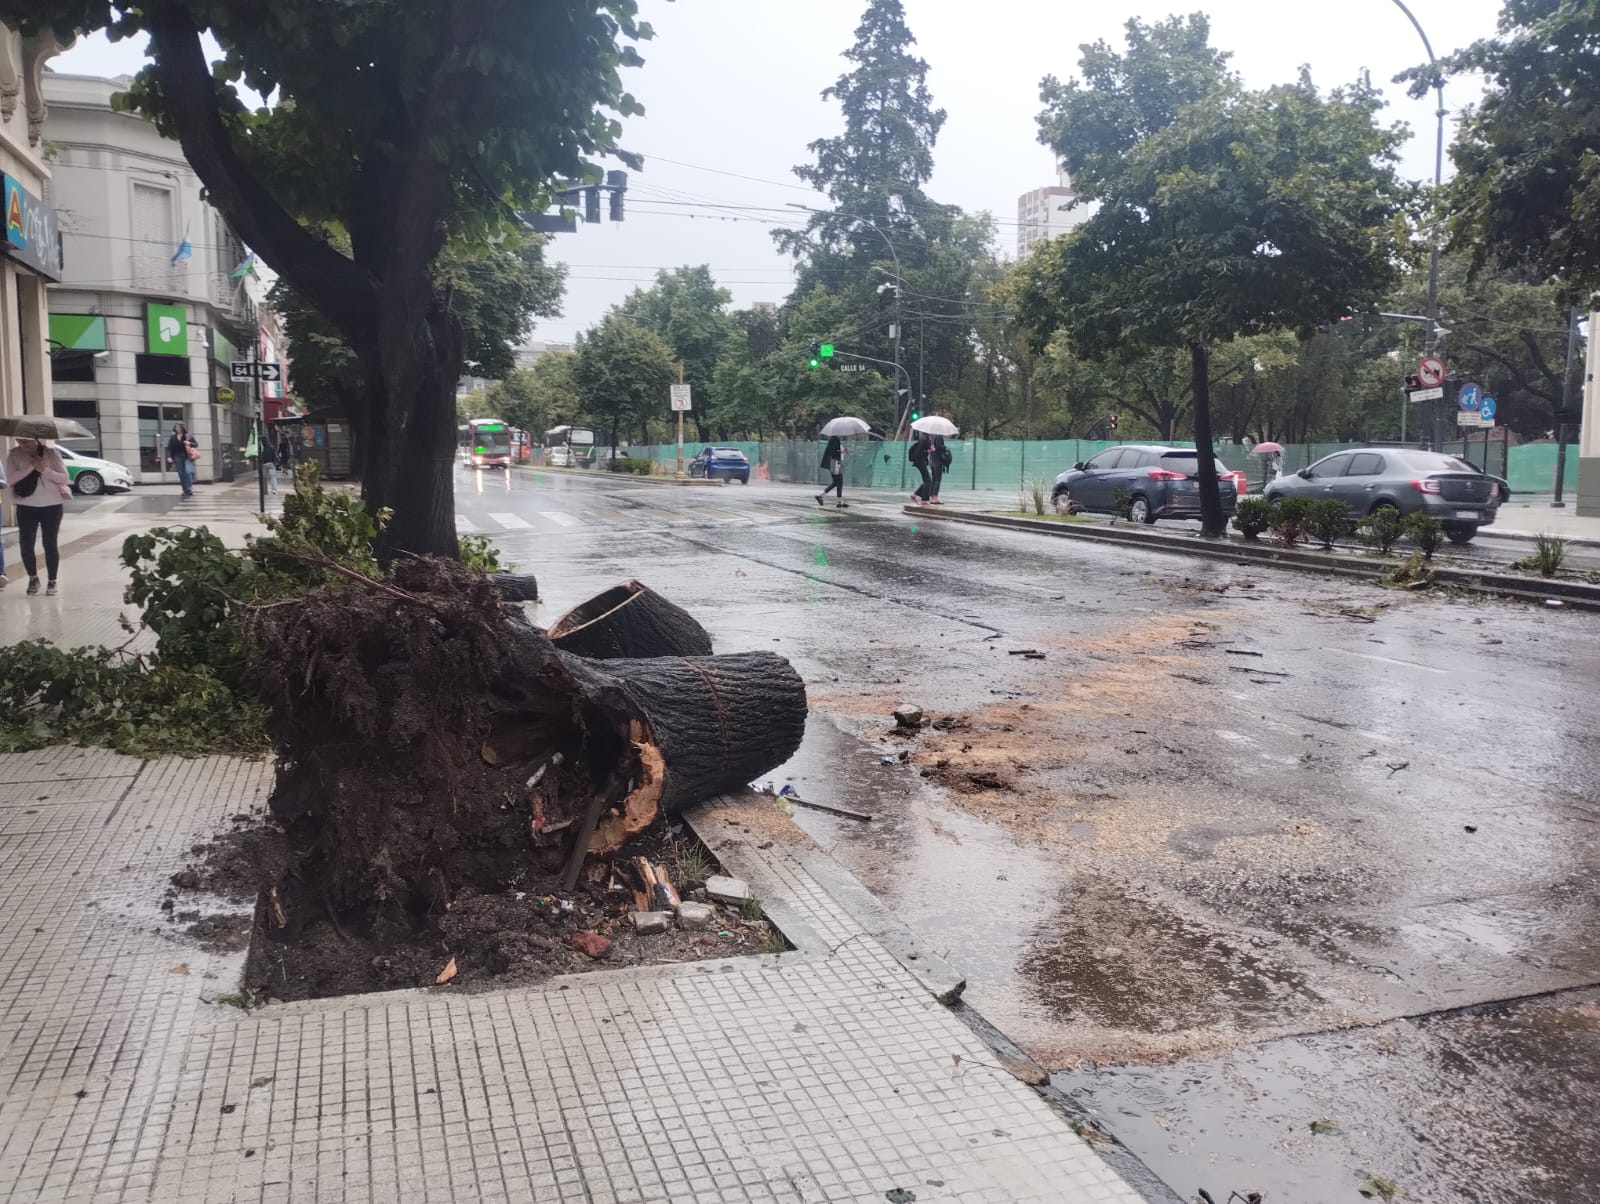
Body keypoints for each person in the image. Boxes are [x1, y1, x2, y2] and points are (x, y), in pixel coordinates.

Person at [4, 437, 72, 596]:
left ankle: (52, 581)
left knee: (50, 544)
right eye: (20, 441)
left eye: (26, 441)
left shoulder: (51, 453)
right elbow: (10, 479)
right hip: (26, 506)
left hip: (52, 505)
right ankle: (33, 578)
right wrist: (31, 467)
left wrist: (44, 470)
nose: (23, 445)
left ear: (36, 439)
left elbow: (64, 478)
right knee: (26, 544)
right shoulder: (14, 455)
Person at [815, 435, 847, 509]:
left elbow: (835, 450)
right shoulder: (835, 439)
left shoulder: (834, 439)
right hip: (835, 463)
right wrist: (842, 451)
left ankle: (839, 501)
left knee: (838, 482)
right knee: (839, 481)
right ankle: (821, 496)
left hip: (834, 463)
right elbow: (835, 451)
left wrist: (842, 450)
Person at [167, 423, 199, 497]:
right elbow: (169, 448)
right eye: (176, 427)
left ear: (182, 428)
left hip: (188, 456)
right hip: (178, 456)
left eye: (178, 427)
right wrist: (169, 457)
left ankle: (189, 489)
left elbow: (196, 444)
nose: (177, 428)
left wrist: (189, 443)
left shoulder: (188, 435)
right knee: (181, 473)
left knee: (188, 472)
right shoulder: (173, 437)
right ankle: (185, 490)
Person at [909, 432, 934, 504]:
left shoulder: (925, 438)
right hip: (920, 462)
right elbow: (919, 452)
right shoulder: (925, 439)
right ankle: (924, 500)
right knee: (928, 480)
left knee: (927, 480)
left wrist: (929, 449)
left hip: (920, 461)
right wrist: (929, 451)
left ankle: (915, 494)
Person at [929, 434, 952, 504]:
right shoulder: (939, 436)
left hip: (932, 460)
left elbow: (934, 447)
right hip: (937, 461)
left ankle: (931, 497)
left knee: (933, 479)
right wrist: (945, 447)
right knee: (937, 480)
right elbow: (939, 447)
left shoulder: (933, 437)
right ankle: (934, 498)